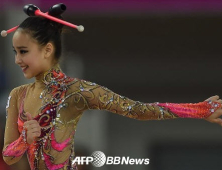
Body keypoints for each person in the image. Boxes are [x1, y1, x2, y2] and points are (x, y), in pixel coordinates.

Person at [2, 4, 222, 170]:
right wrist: (24, 140)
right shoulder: (18, 94)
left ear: (47, 50)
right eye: (15, 52)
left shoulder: (77, 91)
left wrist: (199, 110)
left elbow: (139, 110)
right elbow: (8, 156)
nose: (17, 60)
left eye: (23, 52)